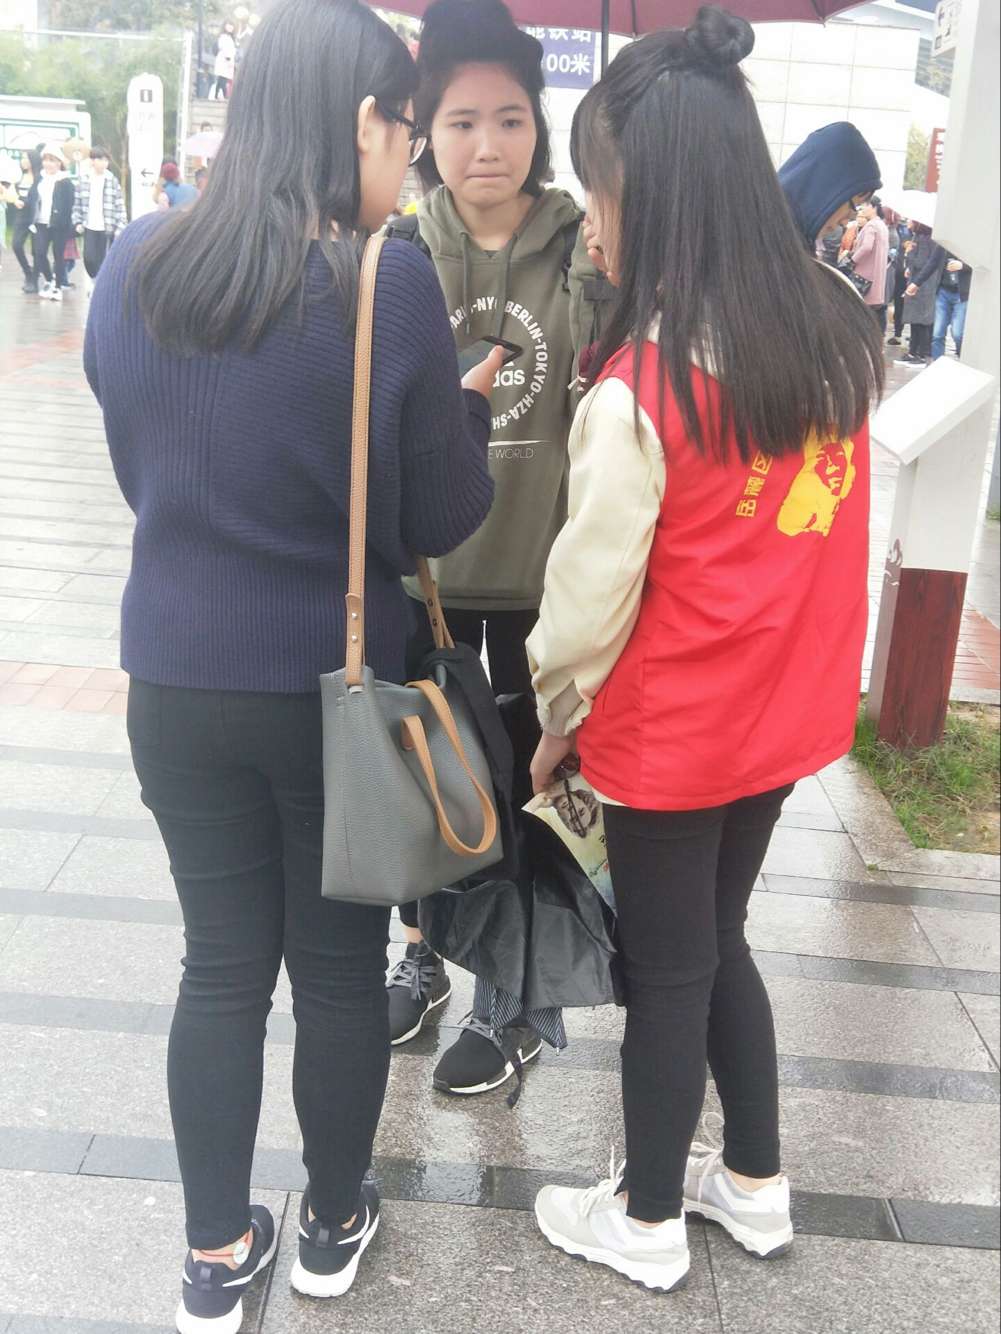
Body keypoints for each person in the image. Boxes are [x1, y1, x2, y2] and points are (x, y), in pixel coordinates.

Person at [82, 1, 499, 1328]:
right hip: (334, 690)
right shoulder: (386, 281)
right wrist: (466, 411)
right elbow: (438, 517)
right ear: (362, 121)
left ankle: (214, 1255)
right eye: (406, 132)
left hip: (174, 681)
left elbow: (140, 456)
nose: (411, 163)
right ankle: (328, 1220)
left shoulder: (134, 262)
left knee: (217, 964)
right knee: (332, 969)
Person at [526, 6, 883, 1294]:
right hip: (781, 722)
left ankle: (643, 1215)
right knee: (718, 937)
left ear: (658, 205)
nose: (593, 227)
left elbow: (586, 604)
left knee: (667, 966)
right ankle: (754, 1182)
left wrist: (553, 714)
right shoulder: (831, 342)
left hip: (672, 735)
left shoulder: (641, 384)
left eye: (600, 196)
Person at [381, 0, 597, 1097]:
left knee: (520, 784)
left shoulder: (583, 248)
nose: (486, 146)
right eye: (460, 122)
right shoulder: (399, 251)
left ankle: (510, 998)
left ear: (538, 125)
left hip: (540, 584)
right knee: (427, 780)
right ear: (424, 130)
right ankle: (422, 954)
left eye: (509, 118)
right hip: (425, 575)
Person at [777, 121, 881, 255]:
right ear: (827, 190)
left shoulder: (786, 237)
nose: (845, 222)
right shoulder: (765, 239)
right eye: (853, 206)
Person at [72, 147, 128, 290]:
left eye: (106, 160)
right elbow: (77, 204)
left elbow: (119, 204)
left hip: (107, 227)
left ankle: (99, 286)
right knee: (89, 258)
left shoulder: (112, 180)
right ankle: (95, 280)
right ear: (92, 161)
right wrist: (77, 222)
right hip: (89, 226)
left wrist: (120, 226)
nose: (104, 163)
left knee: (103, 259)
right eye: (100, 160)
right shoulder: (83, 180)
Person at [33, 143, 75, 302]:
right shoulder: (40, 178)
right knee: (39, 253)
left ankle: (58, 287)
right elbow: (33, 197)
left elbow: (69, 204)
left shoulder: (65, 181)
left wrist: (64, 222)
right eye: (45, 160)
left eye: (52, 160)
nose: (48, 163)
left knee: (58, 255)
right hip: (41, 222)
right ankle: (49, 280)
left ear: (59, 162)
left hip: (59, 224)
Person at [898, 222, 940, 365]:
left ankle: (919, 354)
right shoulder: (928, 237)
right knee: (917, 320)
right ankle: (913, 352)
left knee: (919, 320)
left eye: (911, 221)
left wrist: (909, 253)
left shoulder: (922, 239)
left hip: (921, 285)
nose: (909, 222)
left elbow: (920, 262)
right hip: (925, 284)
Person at [851, 196, 889, 332]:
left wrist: (853, 259)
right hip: (877, 277)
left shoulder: (871, 225)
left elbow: (867, 247)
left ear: (874, 207)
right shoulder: (882, 225)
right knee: (873, 314)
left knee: (861, 314)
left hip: (865, 277)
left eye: (865, 206)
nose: (863, 209)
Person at [9, 150, 41, 293]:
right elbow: (12, 194)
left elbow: (36, 198)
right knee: (16, 245)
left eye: (25, 158)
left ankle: (34, 280)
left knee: (36, 251)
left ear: (33, 160)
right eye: (22, 158)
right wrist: (14, 200)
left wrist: (24, 202)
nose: (23, 161)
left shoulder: (39, 178)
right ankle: (28, 272)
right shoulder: (18, 177)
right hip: (21, 216)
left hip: (35, 216)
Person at [931, 251, 971, 360]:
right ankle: (937, 363)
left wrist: (962, 266)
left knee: (958, 333)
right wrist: (916, 283)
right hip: (943, 291)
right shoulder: (944, 246)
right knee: (937, 333)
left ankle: (963, 358)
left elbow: (981, 265)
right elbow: (932, 262)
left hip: (961, 294)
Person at [213, 21, 237, 99]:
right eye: (228, 25)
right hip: (224, 61)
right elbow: (225, 49)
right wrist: (228, 59)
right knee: (223, 79)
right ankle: (225, 95)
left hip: (227, 61)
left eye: (231, 26)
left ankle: (216, 94)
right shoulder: (223, 37)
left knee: (221, 79)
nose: (230, 27)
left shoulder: (230, 38)